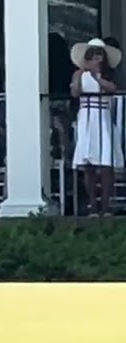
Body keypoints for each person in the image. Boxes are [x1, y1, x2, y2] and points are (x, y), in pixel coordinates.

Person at [70, 38, 123, 217]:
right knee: (88, 164)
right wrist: (80, 76)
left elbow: (112, 89)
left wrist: (96, 77)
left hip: (102, 116)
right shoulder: (78, 74)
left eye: (98, 55)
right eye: (92, 56)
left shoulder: (108, 74)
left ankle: (106, 204)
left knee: (106, 163)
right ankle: (93, 203)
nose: (95, 59)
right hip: (86, 116)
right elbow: (75, 92)